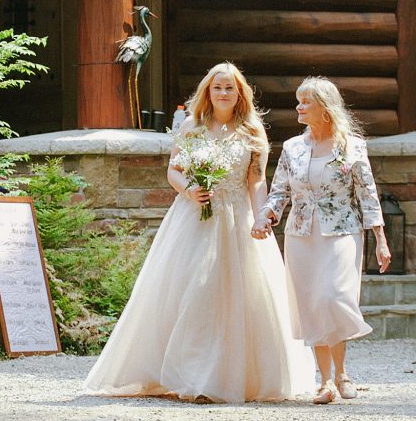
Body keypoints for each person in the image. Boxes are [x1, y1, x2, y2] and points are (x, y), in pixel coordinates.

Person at [84, 62, 314, 403]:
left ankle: (226, 376)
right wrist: (189, 190)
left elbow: (256, 179)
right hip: (194, 216)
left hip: (236, 217)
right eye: (217, 87)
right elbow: (173, 170)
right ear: (208, 91)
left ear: (240, 94)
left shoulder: (252, 130)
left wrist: (261, 216)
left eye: (230, 88)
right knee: (193, 291)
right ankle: (188, 374)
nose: (223, 93)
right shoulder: (192, 126)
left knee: (238, 294)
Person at [253, 76, 391, 405]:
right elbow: (279, 193)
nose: (298, 107)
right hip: (301, 235)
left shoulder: (352, 147)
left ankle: (342, 372)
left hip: (343, 231)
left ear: (325, 108)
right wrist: (265, 217)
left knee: (332, 296)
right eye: (298, 100)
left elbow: (368, 195)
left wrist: (381, 239)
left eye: (305, 102)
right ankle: (326, 381)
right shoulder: (292, 148)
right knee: (313, 305)